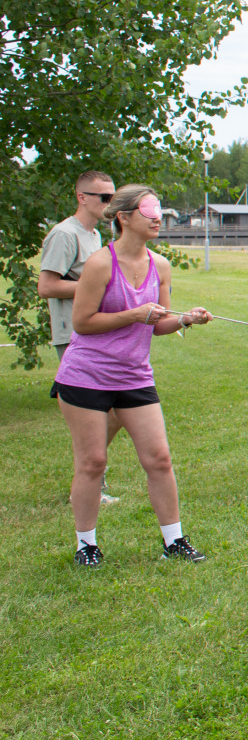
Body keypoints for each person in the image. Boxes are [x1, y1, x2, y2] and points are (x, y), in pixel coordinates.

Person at [52, 185, 214, 567]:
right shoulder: (99, 264)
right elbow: (82, 322)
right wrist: (133, 314)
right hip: (85, 376)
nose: (158, 217)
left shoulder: (160, 265)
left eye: (158, 211)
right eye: (148, 211)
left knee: (159, 458)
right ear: (124, 217)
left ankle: (173, 541)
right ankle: (86, 546)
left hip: (134, 376)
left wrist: (185, 319)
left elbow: (158, 324)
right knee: (92, 462)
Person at [38, 169, 123, 506]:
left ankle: (89, 481)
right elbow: (46, 286)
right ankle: (88, 487)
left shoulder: (92, 236)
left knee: (115, 412)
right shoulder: (64, 234)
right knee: (95, 415)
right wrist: (99, 285)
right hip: (74, 335)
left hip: (97, 332)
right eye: (104, 197)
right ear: (82, 197)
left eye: (113, 197)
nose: (109, 204)